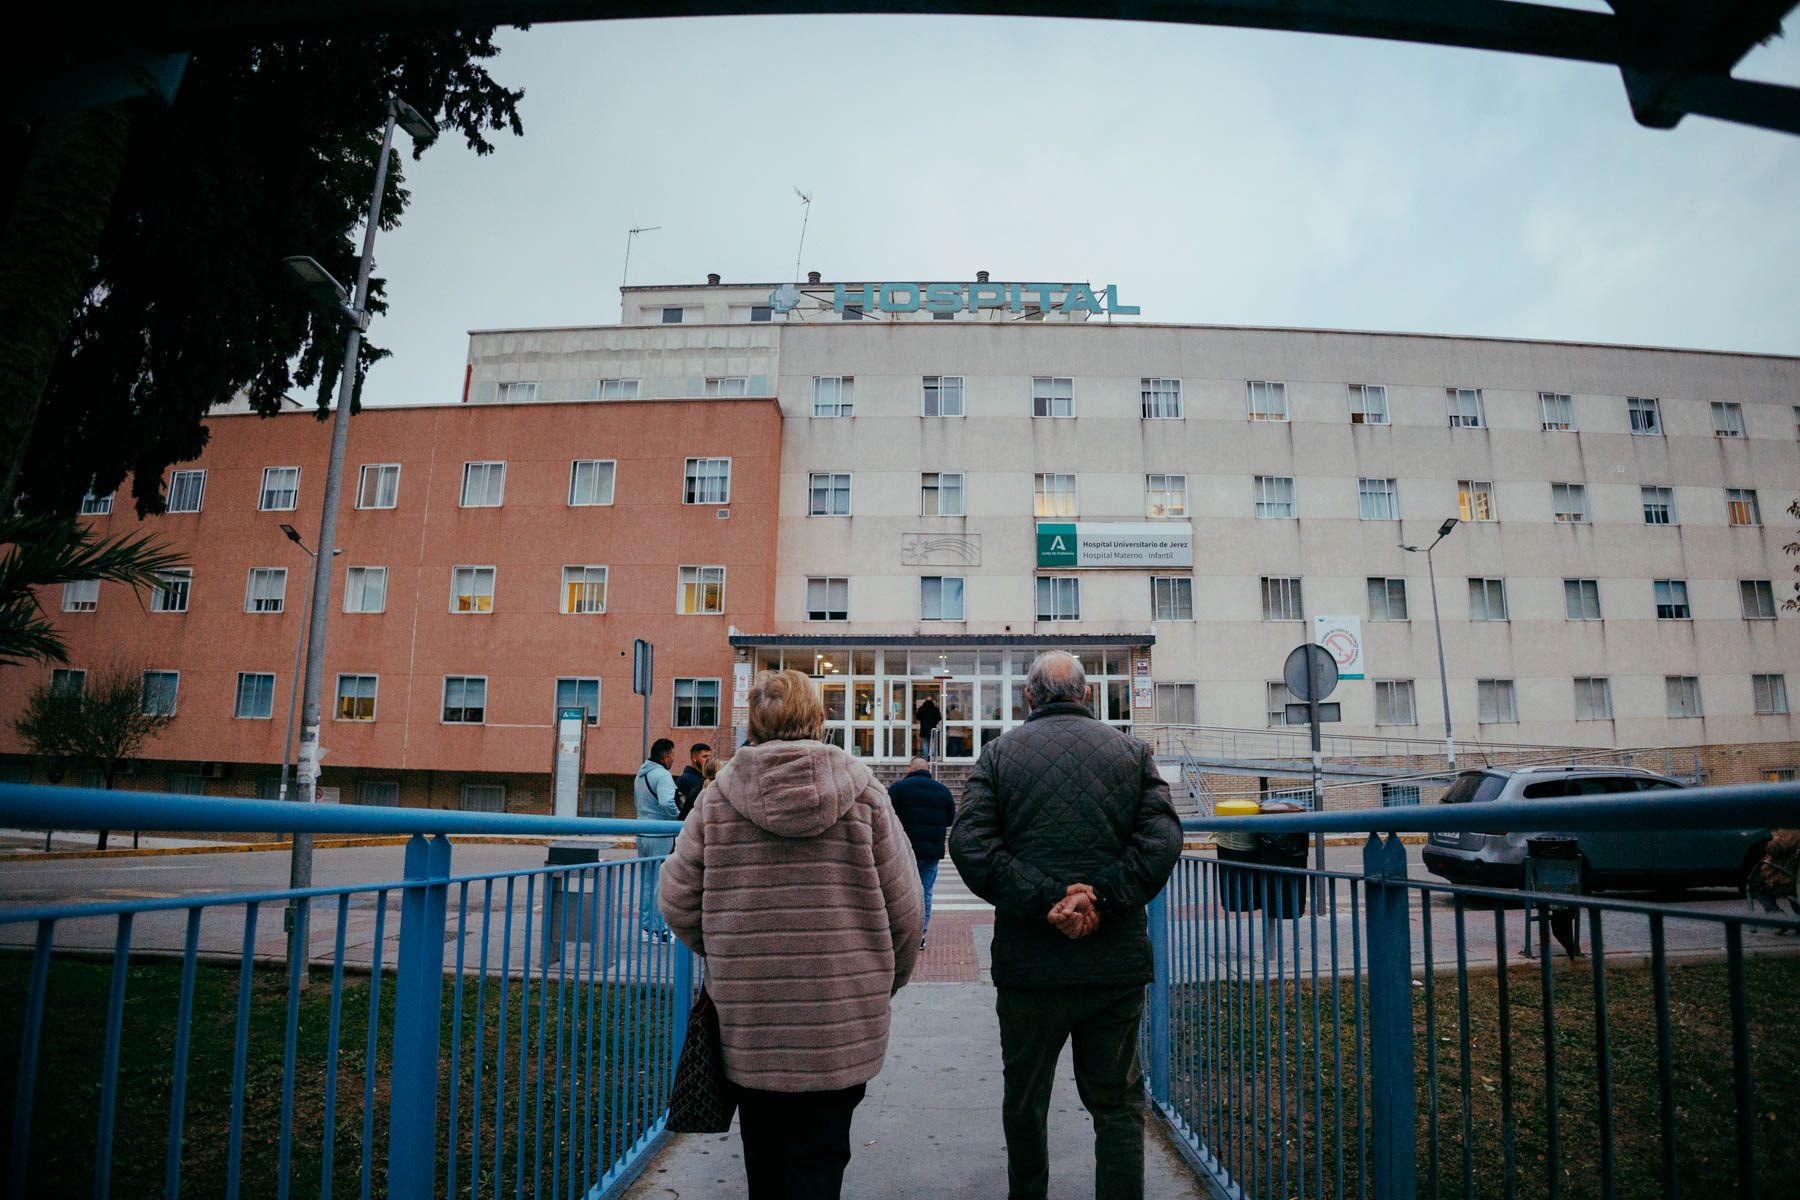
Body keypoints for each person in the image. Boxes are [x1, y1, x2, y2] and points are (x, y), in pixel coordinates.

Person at [660, 669, 923, 1200]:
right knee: (823, 1157)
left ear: (754, 722)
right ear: (818, 718)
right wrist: (880, 980)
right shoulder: (865, 794)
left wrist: (728, 951)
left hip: (752, 1022)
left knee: (763, 1155)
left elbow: (677, 898)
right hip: (839, 1020)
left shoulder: (718, 800)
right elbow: (906, 910)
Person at [949, 650, 1181, 1200]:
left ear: (1028, 697)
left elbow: (970, 843)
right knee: (1118, 1106)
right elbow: (1163, 838)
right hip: (1113, 967)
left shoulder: (999, 755)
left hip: (1031, 970)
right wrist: (1098, 895)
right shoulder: (1131, 753)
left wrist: (1050, 899)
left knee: (1025, 1102)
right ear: (1087, 696)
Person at [888, 757, 957, 950]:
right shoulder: (942, 790)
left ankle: (901, 935)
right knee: (925, 892)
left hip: (904, 851)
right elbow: (951, 819)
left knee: (901, 892)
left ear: (910, 768)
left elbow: (886, 817)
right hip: (931, 851)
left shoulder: (898, 789)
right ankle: (920, 934)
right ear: (928, 769)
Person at [633, 738, 681, 941]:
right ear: (665, 756)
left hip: (642, 833)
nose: (673, 759)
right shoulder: (663, 776)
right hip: (660, 835)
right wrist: (677, 815)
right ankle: (659, 930)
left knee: (647, 882)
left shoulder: (641, 774)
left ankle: (646, 928)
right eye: (672, 756)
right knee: (660, 884)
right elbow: (667, 802)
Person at [675, 741, 712, 819]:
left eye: (710, 756)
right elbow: (682, 808)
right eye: (705, 756)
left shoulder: (708, 778)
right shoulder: (684, 780)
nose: (709, 760)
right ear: (694, 758)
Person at [915, 694, 941, 759]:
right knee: (932, 742)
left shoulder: (922, 708)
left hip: (924, 728)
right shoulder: (935, 709)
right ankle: (931, 756)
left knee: (924, 743)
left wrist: (923, 720)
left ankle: (925, 756)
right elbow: (939, 718)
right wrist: (935, 721)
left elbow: (917, 717)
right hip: (932, 728)